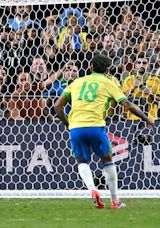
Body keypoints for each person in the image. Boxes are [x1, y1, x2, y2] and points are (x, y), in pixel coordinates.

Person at [54, 54, 155, 209]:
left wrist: (67, 123)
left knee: (81, 161)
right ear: (107, 70)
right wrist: (146, 118)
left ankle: (92, 189)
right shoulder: (108, 83)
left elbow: (57, 106)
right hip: (95, 125)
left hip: (76, 127)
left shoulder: (77, 82)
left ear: (90, 68)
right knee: (107, 160)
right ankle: (115, 201)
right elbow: (128, 105)